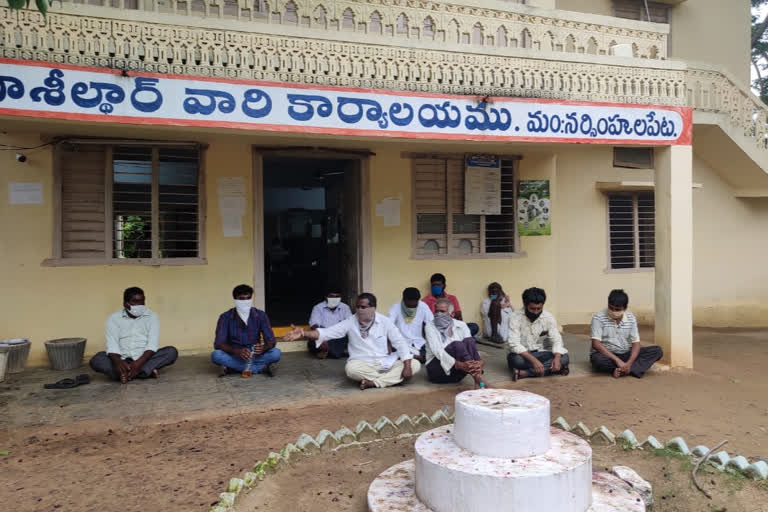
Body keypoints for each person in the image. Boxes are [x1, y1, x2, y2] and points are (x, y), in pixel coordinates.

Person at [284, 293, 421, 390]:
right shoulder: (350, 321)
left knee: (415, 364)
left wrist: (407, 366)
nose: (359, 310)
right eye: (357, 307)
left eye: (363, 307)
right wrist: (303, 333)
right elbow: (326, 332)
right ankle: (388, 380)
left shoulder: (385, 322)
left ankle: (374, 383)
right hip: (361, 364)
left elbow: (400, 343)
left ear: (373, 308)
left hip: (384, 362)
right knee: (351, 370)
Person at [90, 287, 178, 384]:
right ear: (125, 304)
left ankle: (123, 374)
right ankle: (143, 372)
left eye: (142, 301)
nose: (140, 305)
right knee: (97, 359)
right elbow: (112, 345)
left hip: (144, 359)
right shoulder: (114, 318)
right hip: (122, 359)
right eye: (135, 302)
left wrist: (138, 363)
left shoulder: (152, 317)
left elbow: (152, 345)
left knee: (171, 352)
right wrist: (118, 362)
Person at [211, 284, 281, 378]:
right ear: (235, 300)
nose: (245, 301)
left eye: (248, 298)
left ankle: (233, 368)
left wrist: (264, 348)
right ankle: (259, 368)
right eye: (241, 299)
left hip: (255, 355)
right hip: (235, 355)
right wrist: (237, 351)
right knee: (216, 355)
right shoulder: (225, 317)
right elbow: (219, 344)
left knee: (276, 353)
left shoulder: (260, 315)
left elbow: (271, 341)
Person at [590, 289, 663, 378]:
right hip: (607, 355)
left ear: (625, 308)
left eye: (617, 309)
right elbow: (596, 344)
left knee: (657, 351)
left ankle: (623, 370)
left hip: (625, 353)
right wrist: (617, 361)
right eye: (611, 308)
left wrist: (629, 363)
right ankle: (630, 369)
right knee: (597, 360)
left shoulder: (631, 318)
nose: (613, 311)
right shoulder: (598, 318)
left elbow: (636, 343)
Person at [506, 287, 569, 381]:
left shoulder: (548, 317)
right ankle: (554, 369)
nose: (536, 312)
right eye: (532, 309)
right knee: (517, 361)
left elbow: (556, 339)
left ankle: (524, 373)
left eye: (539, 308)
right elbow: (514, 344)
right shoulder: (514, 317)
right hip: (522, 356)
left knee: (564, 357)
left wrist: (557, 357)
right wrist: (534, 361)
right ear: (525, 304)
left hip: (540, 352)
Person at [424, 298, 486, 387]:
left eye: (442, 311)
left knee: (469, 341)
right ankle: (480, 381)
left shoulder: (461, 325)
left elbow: (471, 348)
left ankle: (478, 378)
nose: (438, 314)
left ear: (452, 314)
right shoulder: (430, 326)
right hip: (438, 372)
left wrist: (479, 362)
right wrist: (458, 364)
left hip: (458, 373)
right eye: (436, 311)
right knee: (457, 345)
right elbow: (437, 351)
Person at [387, 287, 434, 363]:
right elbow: (388, 327)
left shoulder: (423, 306)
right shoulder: (395, 307)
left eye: (415, 305)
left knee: (430, 355)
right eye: (409, 306)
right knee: (393, 352)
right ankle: (414, 357)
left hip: (418, 342)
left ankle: (412, 357)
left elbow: (431, 324)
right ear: (404, 300)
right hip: (401, 342)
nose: (412, 307)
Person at [307, 287, 352, 359]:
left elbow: (350, 324)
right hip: (323, 336)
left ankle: (327, 351)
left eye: (337, 296)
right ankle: (342, 351)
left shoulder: (345, 307)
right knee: (312, 341)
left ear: (340, 297)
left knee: (349, 337)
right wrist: (322, 339)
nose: (334, 299)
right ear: (326, 297)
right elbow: (314, 326)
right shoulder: (318, 308)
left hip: (339, 337)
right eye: (331, 296)